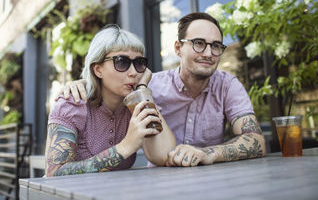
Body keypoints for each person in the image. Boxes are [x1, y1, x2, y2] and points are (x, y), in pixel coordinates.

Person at [60, 12, 267, 167]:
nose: (208, 53)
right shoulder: (146, 84)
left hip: (214, 182)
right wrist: (84, 84)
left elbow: (255, 140)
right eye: (198, 43)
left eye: (216, 46)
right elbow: (108, 83)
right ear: (178, 48)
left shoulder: (227, 85)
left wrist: (208, 154)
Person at [45, 24, 176, 177]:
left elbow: (164, 154)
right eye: (122, 62)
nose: (133, 72)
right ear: (98, 70)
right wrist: (125, 147)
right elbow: (55, 172)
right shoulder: (73, 103)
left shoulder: (136, 105)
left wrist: (141, 90)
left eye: (139, 63)